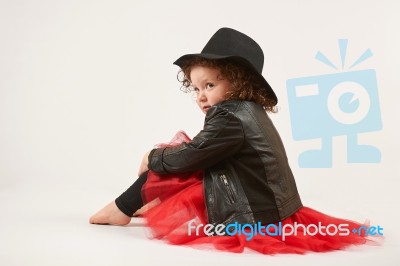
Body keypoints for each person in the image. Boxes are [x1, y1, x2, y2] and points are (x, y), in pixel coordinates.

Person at [90, 28, 376, 254]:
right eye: (196, 87)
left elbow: (192, 155)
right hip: (267, 203)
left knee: (172, 159)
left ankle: (121, 208)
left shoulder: (229, 118)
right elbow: (202, 151)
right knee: (179, 154)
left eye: (210, 86)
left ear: (238, 84)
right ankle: (146, 203)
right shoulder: (244, 111)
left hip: (256, 214)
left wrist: (152, 157)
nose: (201, 95)